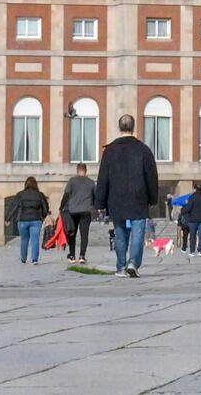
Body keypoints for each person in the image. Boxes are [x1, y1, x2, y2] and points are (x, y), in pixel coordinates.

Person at [94, 113, 161, 278]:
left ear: (119, 127)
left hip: (116, 196)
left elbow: (103, 177)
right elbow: (151, 176)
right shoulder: (144, 150)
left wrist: (100, 202)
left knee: (120, 231)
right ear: (134, 127)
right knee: (138, 230)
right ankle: (133, 263)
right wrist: (153, 198)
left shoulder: (109, 151)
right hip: (138, 195)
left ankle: (121, 266)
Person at [60, 162, 96, 265]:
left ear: (77, 170)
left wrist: (61, 207)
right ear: (86, 170)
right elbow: (95, 196)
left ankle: (72, 255)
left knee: (72, 233)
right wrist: (94, 207)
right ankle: (82, 256)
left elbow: (66, 195)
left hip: (73, 210)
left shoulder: (72, 181)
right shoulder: (91, 182)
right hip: (86, 210)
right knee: (84, 234)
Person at [14, 176, 50, 265]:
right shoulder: (40, 195)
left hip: (22, 220)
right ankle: (34, 259)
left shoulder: (20, 194)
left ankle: (23, 258)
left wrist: (8, 218)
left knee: (24, 239)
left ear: (25, 184)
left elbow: (13, 206)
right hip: (36, 220)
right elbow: (45, 208)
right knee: (35, 239)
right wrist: (42, 217)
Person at [180, 183, 201, 257]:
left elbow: (188, 208)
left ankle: (192, 251)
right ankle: (200, 251)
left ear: (194, 189)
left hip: (193, 220)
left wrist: (182, 210)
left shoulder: (192, 197)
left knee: (192, 236)